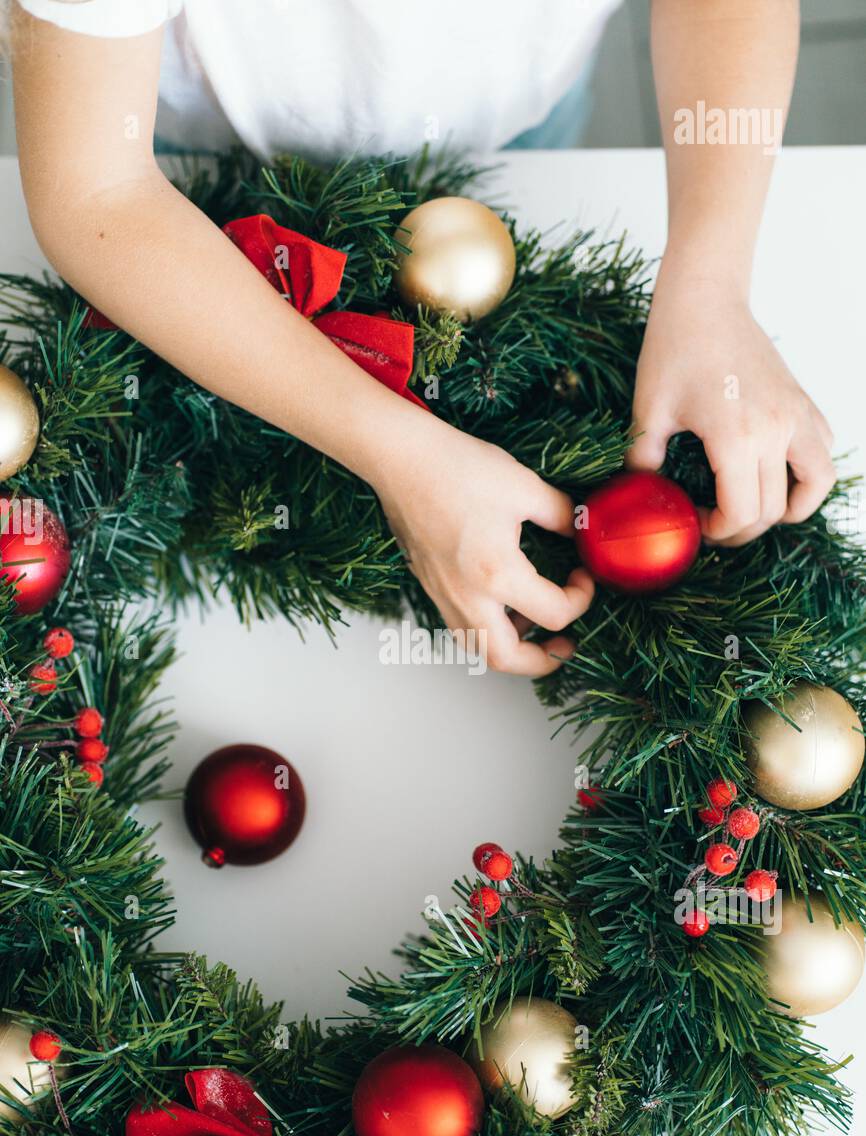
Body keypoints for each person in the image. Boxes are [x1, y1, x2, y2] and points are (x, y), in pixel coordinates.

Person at [9, 0, 834, 675]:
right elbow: (99, 191)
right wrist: (401, 453)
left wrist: (711, 283)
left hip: (515, 136)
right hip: (196, 170)